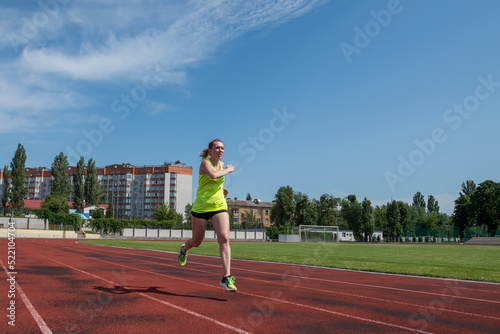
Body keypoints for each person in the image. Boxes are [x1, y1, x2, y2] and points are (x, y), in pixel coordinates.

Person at [177, 139, 237, 291]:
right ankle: (184, 249)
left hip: (219, 205)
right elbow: (213, 176)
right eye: (217, 148)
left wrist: (222, 190)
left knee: (224, 238)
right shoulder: (205, 163)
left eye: (222, 148)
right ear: (210, 150)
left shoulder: (222, 165)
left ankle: (226, 277)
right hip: (202, 207)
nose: (220, 150)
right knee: (197, 241)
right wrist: (229, 170)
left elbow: (216, 181)